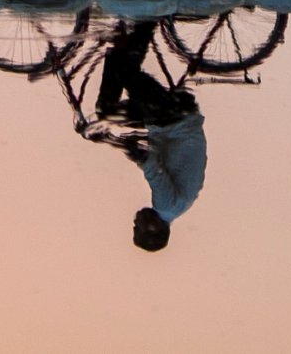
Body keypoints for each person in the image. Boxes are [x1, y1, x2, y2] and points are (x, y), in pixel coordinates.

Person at [83, 22, 207, 251]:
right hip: (171, 116)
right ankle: (145, 23)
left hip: (169, 119)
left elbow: (149, 154)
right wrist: (122, 146)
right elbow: (151, 166)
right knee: (126, 72)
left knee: (108, 112)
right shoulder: (167, 206)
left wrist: (109, 138)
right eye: (136, 228)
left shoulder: (176, 206)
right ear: (153, 229)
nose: (134, 222)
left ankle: (121, 43)